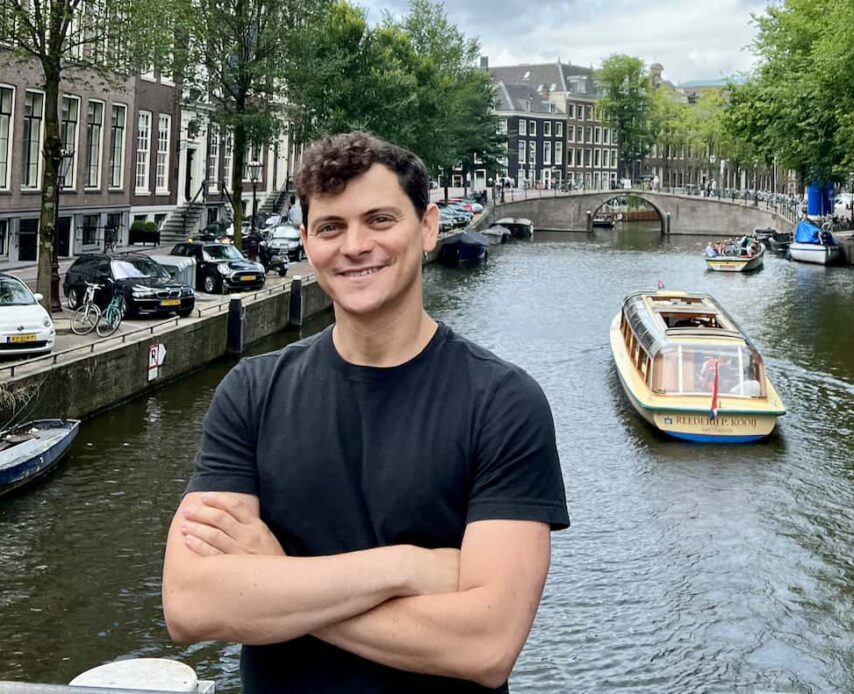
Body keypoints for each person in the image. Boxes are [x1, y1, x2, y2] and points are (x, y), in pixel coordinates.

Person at [162, 132, 570, 692]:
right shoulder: (251, 392)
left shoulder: (503, 403)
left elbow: (486, 643)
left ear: (428, 228)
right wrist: (406, 566)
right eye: (331, 227)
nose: (354, 245)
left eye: (380, 220)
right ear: (307, 242)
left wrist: (274, 578)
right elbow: (190, 604)